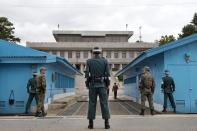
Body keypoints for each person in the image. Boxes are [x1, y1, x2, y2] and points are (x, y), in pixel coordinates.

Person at [85, 47, 111, 129]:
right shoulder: (105, 61)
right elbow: (108, 74)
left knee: (92, 103)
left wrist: (87, 84)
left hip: (92, 85)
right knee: (104, 103)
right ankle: (106, 123)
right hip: (102, 85)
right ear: (100, 53)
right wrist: (107, 85)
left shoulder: (89, 61)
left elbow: (87, 74)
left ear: (93, 53)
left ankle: (91, 124)